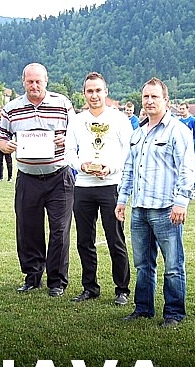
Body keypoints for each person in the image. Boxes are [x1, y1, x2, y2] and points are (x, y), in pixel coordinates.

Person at [115, 77, 195, 328]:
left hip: (166, 209)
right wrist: (122, 199)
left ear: (166, 101)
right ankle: (143, 308)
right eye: (146, 97)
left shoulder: (177, 131)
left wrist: (181, 201)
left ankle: (174, 312)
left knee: (173, 265)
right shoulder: (138, 133)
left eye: (154, 97)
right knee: (142, 264)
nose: (149, 101)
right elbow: (129, 169)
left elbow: (187, 168)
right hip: (139, 208)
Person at [0, 62, 75, 297]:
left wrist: (66, 140)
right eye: (30, 81)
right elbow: (0, 137)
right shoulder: (11, 108)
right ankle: (32, 276)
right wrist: (4, 146)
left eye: (38, 81)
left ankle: (57, 281)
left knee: (59, 230)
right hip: (28, 178)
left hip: (59, 176)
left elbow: (77, 134)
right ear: (23, 82)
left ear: (46, 81)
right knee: (28, 229)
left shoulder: (62, 104)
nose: (34, 85)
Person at [65, 72, 132, 306]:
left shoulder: (119, 119)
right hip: (83, 186)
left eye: (98, 90)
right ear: (84, 93)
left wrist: (111, 168)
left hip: (110, 186)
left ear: (106, 92)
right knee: (84, 241)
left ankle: (122, 289)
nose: (94, 95)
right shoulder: (76, 120)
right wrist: (81, 165)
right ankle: (90, 287)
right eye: (90, 91)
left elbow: (128, 151)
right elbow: (68, 151)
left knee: (115, 239)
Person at [178, 102, 195, 194]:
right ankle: (183, 186)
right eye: (180, 109)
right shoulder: (179, 121)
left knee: (193, 167)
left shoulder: (192, 120)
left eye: (183, 109)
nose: (181, 111)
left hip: (191, 148)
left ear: (187, 109)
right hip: (181, 147)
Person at [0, 111, 13, 182]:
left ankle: (10, 177)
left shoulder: (9, 122)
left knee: (8, 161)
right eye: (0, 111)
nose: (1, 113)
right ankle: (0, 177)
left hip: (7, 144)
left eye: (2, 111)